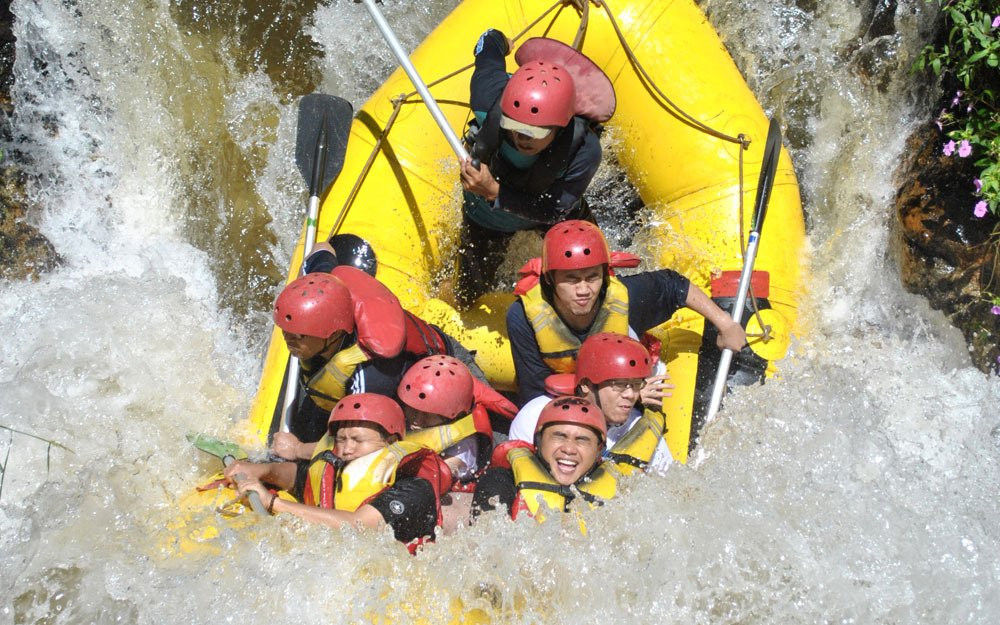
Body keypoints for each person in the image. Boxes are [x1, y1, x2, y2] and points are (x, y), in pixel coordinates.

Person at [506, 219, 748, 404]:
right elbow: (535, 393)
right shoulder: (523, 318)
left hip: (626, 387)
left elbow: (675, 285)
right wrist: (627, 396)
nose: (583, 290)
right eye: (571, 280)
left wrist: (725, 323)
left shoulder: (623, 296)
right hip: (565, 399)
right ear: (549, 278)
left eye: (592, 277)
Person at [456, 32, 616, 306]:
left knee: (599, 290)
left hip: (553, 212)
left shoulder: (584, 150)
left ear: (561, 124)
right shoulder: (487, 94)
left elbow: (555, 211)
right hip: (487, 219)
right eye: (514, 127)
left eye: (534, 131)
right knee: (468, 297)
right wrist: (505, 42)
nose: (522, 138)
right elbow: (488, 40)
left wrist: (495, 191)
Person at [271, 262, 484, 459]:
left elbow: (360, 447)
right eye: (286, 332)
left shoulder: (371, 375)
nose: (289, 339)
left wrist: (298, 450)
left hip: (447, 375)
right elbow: (322, 252)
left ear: (333, 333)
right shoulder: (329, 294)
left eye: (300, 335)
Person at [225, 393, 452, 548]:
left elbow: (359, 526)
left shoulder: (413, 486)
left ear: (390, 441)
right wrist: (261, 470)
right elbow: (296, 475)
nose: (346, 449)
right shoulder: (340, 470)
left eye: (357, 440)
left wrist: (274, 504)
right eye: (341, 440)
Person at [508, 332, 673, 472]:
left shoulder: (640, 427)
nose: (631, 395)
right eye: (619, 385)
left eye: (636, 385)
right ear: (587, 385)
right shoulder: (535, 416)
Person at [471, 396, 614, 522]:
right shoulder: (500, 480)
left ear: (599, 450)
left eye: (582, 440)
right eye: (559, 436)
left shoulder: (618, 488)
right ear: (538, 442)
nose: (569, 449)